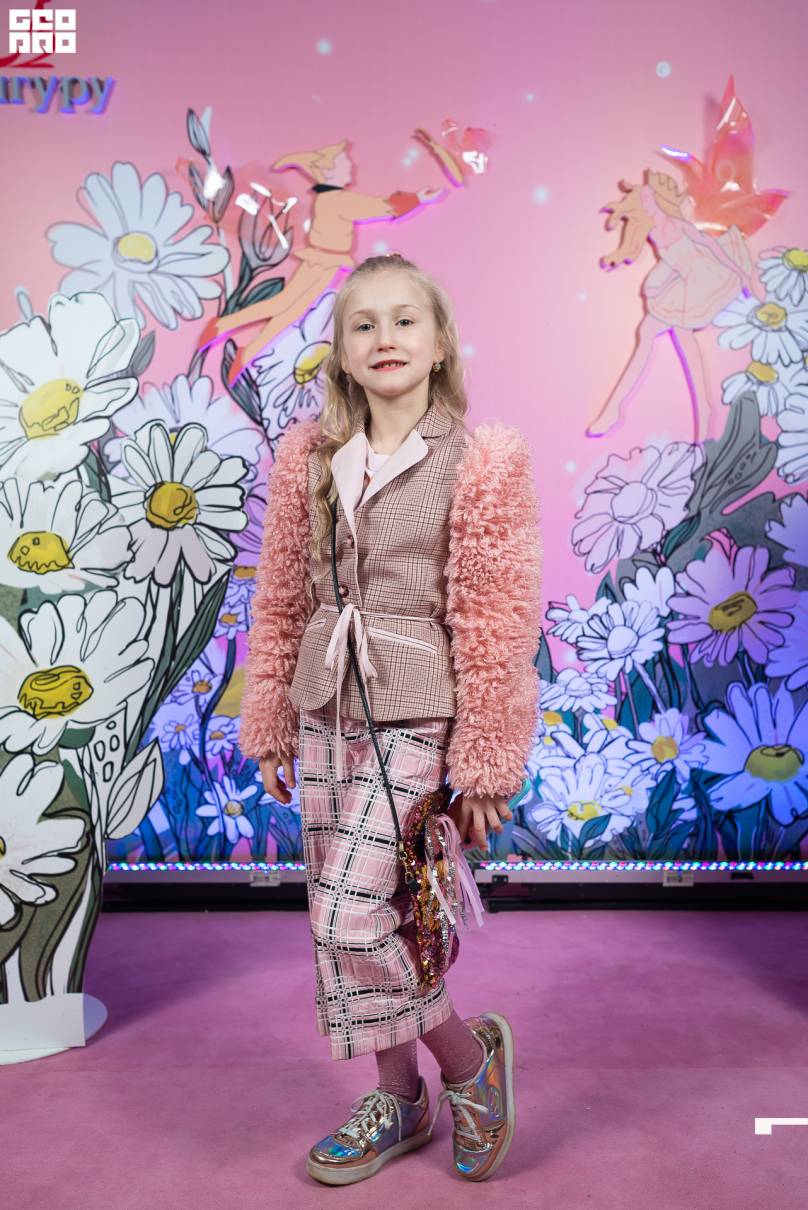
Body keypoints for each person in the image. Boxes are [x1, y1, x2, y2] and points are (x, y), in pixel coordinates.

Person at [238, 252, 543, 1185]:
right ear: (339, 352)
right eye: (363, 325)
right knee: (365, 914)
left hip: (417, 712)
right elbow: (281, 596)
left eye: (405, 320)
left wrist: (486, 761)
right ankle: (400, 1097)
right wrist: (270, 717)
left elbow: (496, 614)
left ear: (439, 343)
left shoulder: (479, 461)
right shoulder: (311, 458)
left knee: (349, 913)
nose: (385, 338)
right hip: (325, 705)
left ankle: (467, 1060)